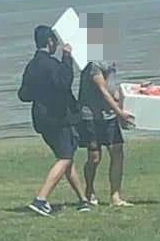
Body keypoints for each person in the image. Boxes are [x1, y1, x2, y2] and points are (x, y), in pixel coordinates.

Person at [18, 25, 89, 217]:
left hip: (41, 119)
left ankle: (83, 200)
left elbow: (23, 95)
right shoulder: (52, 64)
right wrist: (67, 58)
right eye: (55, 42)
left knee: (66, 158)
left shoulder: (32, 66)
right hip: (58, 118)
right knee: (65, 158)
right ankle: (41, 199)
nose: (56, 45)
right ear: (50, 41)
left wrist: (41, 92)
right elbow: (64, 82)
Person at [77, 60, 135, 207]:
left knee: (117, 151)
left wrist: (129, 98)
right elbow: (103, 91)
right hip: (91, 116)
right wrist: (120, 113)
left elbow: (112, 90)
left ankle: (115, 196)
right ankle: (89, 190)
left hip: (109, 115)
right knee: (95, 158)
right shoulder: (93, 65)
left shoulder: (111, 63)